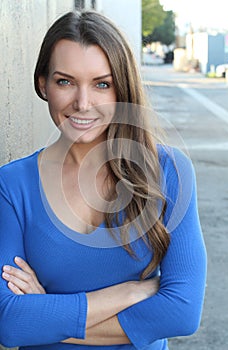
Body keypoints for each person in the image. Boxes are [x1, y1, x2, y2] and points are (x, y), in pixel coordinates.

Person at [0, 10, 207, 350]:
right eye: (65, 81)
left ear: (121, 88)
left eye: (102, 84)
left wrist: (47, 318)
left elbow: (181, 312)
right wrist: (131, 292)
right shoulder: (12, 186)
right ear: (43, 84)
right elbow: (10, 322)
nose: (83, 103)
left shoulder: (169, 171)